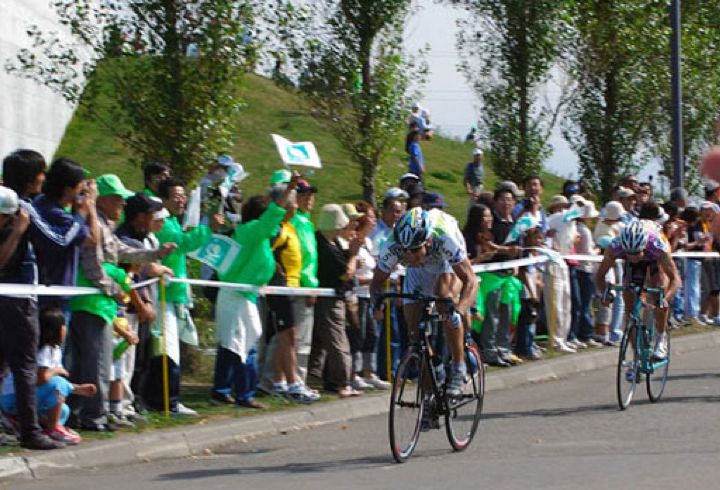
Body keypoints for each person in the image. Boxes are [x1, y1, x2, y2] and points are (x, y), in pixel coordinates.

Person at [67, 174, 175, 431]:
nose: (123, 205)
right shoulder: (95, 224)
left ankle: (85, 413)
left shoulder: (105, 226)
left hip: (98, 303)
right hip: (92, 302)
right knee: (98, 364)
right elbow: (92, 264)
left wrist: (155, 253)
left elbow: (122, 251)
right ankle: (94, 416)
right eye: (118, 199)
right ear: (101, 200)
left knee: (92, 363)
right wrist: (114, 289)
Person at [370, 207, 479, 397]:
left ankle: (459, 367)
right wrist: (376, 303)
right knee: (414, 334)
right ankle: (430, 394)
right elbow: (376, 282)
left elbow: (471, 280)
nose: (409, 255)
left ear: (427, 241)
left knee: (443, 297)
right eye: (405, 251)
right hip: (418, 270)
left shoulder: (444, 237)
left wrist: (459, 310)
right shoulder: (393, 245)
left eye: (413, 250)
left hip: (444, 261)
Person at [212, 176, 301, 409]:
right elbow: (274, 214)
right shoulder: (252, 231)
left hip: (244, 295)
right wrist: (290, 188)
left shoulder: (256, 237)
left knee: (234, 343)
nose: (276, 221)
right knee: (244, 343)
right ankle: (244, 393)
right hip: (236, 295)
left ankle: (222, 389)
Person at [149, 177, 222, 415]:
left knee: (172, 348)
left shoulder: (172, 222)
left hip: (174, 295)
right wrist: (207, 228)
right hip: (163, 295)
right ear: (164, 199)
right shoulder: (165, 225)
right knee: (167, 349)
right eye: (176, 196)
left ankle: (167, 399)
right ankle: (167, 401)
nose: (181, 200)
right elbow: (181, 243)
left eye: (183, 196)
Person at [0, 184, 63, 449]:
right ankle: (30, 431)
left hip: (16, 300)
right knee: (25, 366)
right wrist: (18, 231)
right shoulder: (16, 228)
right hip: (15, 303)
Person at [1, 306, 96, 445]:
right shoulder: (43, 349)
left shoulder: (55, 349)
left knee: (63, 410)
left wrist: (79, 389)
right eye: (63, 325)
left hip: (26, 396)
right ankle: (53, 429)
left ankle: (26, 424)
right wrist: (57, 370)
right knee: (58, 383)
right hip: (11, 397)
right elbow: (41, 379)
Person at [596, 221, 682, 363]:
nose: (633, 257)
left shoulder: (656, 245)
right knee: (629, 310)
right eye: (629, 253)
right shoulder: (615, 247)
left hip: (654, 258)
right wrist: (605, 293)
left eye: (636, 253)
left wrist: (665, 299)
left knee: (659, 290)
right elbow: (600, 276)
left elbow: (676, 279)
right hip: (633, 261)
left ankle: (661, 340)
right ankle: (637, 356)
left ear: (643, 245)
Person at [308, 204, 363, 397]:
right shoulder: (327, 247)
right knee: (338, 340)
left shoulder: (330, 242)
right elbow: (346, 273)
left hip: (329, 298)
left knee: (320, 341)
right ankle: (342, 382)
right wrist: (354, 254)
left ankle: (316, 376)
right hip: (330, 301)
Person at [33, 158, 98, 316]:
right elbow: (93, 239)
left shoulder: (40, 203)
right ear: (68, 189)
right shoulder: (57, 214)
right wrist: (90, 206)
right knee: (53, 340)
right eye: (80, 188)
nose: (81, 192)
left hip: (45, 288)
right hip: (55, 293)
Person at [288, 178, 319, 384]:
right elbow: (297, 257)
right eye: (304, 194)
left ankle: (298, 380)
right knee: (297, 339)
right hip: (299, 287)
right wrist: (307, 286)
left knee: (301, 339)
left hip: (307, 285)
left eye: (310, 194)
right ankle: (294, 381)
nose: (309, 198)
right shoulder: (295, 222)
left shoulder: (307, 222)